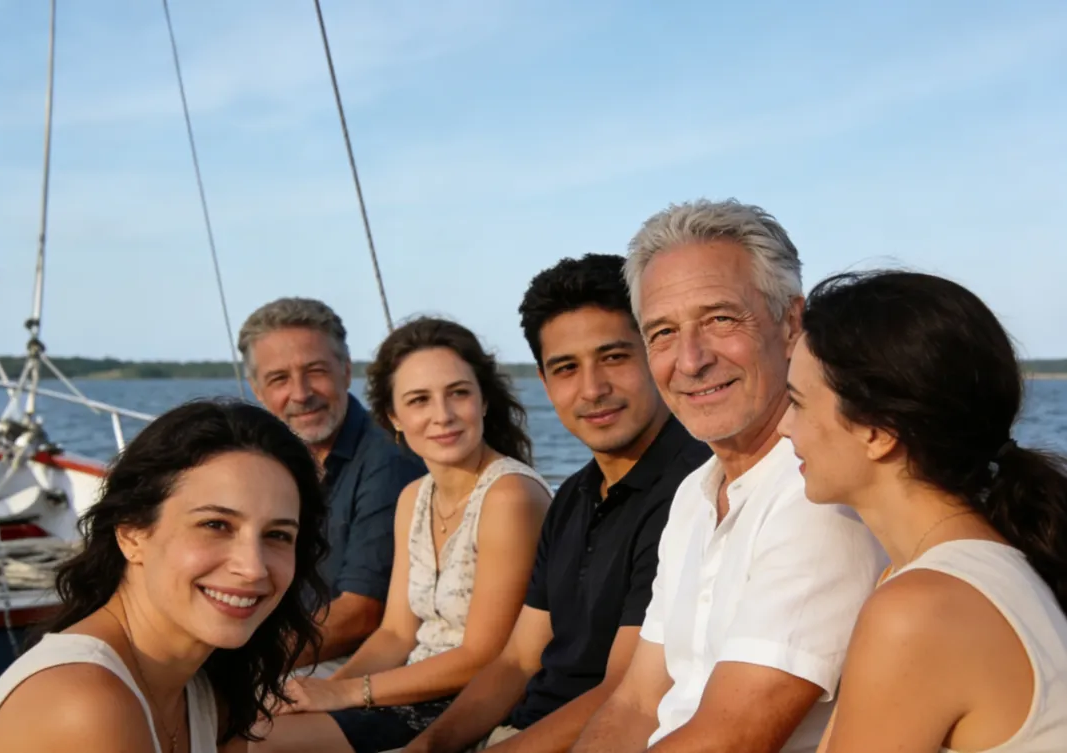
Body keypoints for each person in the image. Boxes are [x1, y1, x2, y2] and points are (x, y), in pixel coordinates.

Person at [572, 199, 885, 753]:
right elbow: (637, 701)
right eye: (662, 332)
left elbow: (732, 737)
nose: (690, 360)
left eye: (720, 319)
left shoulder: (819, 495)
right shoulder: (695, 493)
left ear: (791, 323)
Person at [405, 254, 712, 753]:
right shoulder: (573, 495)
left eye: (614, 357)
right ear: (545, 384)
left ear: (656, 354)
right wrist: (428, 746)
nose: (592, 389)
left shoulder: (694, 490)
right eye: (566, 368)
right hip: (520, 732)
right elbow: (519, 660)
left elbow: (625, 692)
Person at [777, 270, 1067, 752]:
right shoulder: (942, 572)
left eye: (798, 403)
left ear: (878, 432)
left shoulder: (919, 609)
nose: (784, 426)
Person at [251, 316, 553, 753]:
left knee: (255, 743)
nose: (442, 416)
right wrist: (320, 694)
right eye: (419, 400)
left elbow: (483, 655)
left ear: (484, 400)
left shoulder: (509, 496)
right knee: (243, 721)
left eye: (458, 393)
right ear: (394, 416)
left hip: (469, 702)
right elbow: (395, 633)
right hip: (407, 686)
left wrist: (344, 693)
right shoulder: (415, 496)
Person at [0, 398, 329, 753]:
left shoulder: (206, 685)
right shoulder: (86, 706)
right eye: (215, 525)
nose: (253, 567)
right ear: (131, 534)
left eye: (277, 535)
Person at [239, 298, 425, 674]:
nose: (301, 393)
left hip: (353, 657)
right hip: (279, 641)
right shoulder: (261, 461)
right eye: (279, 379)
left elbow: (360, 614)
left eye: (316, 371)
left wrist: (239, 668)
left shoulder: (390, 460)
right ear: (257, 390)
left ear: (346, 371)